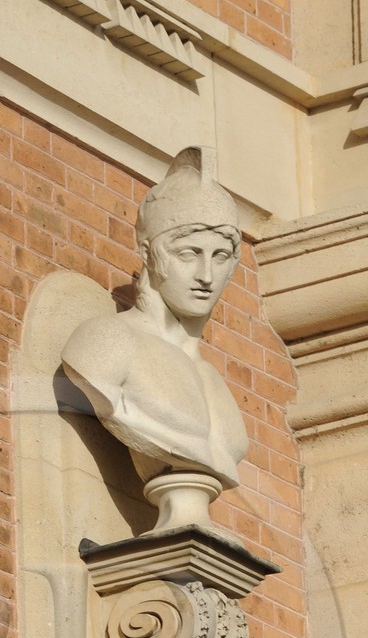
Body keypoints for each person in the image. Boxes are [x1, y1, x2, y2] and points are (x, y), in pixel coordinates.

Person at [61, 147, 248, 512]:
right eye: (188, 254)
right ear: (149, 255)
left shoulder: (213, 380)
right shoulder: (107, 342)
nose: (206, 276)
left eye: (220, 256)